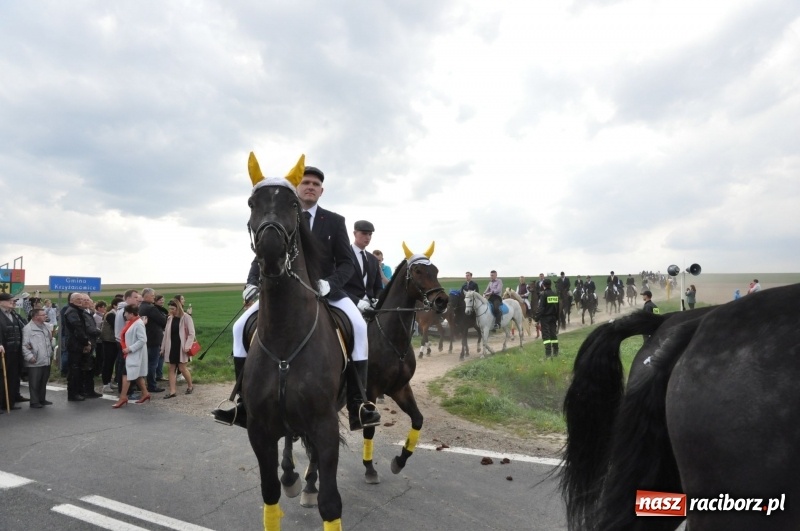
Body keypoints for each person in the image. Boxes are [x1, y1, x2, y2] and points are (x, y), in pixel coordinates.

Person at [214, 163, 380, 431]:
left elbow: (347, 263)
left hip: (328, 293)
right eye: (306, 183)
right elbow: (263, 250)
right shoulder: (280, 213)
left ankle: (357, 404)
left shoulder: (334, 221)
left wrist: (330, 284)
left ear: (321, 191)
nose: (310, 186)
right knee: (238, 328)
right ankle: (243, 404)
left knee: (359, 327)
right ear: (296, 188)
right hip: (283, 294)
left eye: (315, 184)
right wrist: (252, 282)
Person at [63, 293, 101, 401]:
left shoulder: (77, 311)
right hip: (75, 345)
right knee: (74, 370)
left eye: (82, 299)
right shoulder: (72, 311)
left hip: (79, 344)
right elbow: (78, 329)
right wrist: (86, 342)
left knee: (79, 369)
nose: (81, 301)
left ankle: (80, 391)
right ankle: (73, 394)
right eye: (78, 299)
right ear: (71, 300)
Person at [113, 304, 150, 408]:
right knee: (136, 375)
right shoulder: (131, 323)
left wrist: (130, 349)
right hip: (130, 354)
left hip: (134, 353)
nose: (124, 315)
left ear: (131, 313)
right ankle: (146, 393)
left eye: (126, 313)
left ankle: (123, 397)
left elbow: (143, 340)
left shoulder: (138, 324)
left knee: (127, 374)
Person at [160, 299, 195, 398]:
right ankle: (172, 391)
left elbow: (192, 333)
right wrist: (162, 348)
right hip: (171, 347)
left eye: (173, 309)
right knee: (171, 368)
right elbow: (166, 335)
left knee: (182, 368)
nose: (171, 311)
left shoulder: (186, 317)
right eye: (170, 309)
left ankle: (190, 386)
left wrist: (187, 346)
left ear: (178, 308)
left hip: (182, 347)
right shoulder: (170, 318)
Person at [0, 292, 28, 411]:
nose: (13, 302)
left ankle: (8, 402)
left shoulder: (14, 314)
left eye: (13, 300)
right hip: (3, 351)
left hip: (14, 351)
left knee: (12, 377)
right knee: (1, 378)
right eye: (10, 300)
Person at [22, 308, 54, 408]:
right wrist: (30, 357)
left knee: (43, 380)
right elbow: (24, 345)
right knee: (34, 382)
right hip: (35, 360)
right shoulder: (28, 329)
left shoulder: (45, 327)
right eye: (43, 315)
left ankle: (41, 399)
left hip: (46, 358)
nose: (46, 316)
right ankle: (34, 401)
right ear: (36, 317)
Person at [139, 288, 166, 394]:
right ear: (146, 296)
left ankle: (143, 384)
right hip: (153, 339)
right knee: (152, 364)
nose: (154, 297)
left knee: (146, 363)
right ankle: (152, 385)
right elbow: (162, 321)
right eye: (152, 296)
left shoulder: (141, 307)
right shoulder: (151, 308)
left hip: (145, 338)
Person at [100, 296, 123, 393]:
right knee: (108, 363)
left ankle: (109, 381)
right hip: (108, 341)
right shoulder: (111, 315)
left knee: (112, 362)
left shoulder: (116, 314)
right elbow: (116, 327)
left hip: (113, 341)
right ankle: (105, 384)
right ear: (114, 305)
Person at [534, 279, 559, 358]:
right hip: (554, 317)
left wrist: (536, 318)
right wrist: (557, 318)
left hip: (545, 318)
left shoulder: (543, 294)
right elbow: (558, 307)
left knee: (546, 336)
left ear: (543, 285)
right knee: (553, 335)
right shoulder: (555, 293)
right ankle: (555, 352)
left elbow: (541, 308)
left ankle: (548, 355)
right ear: (550, 285)